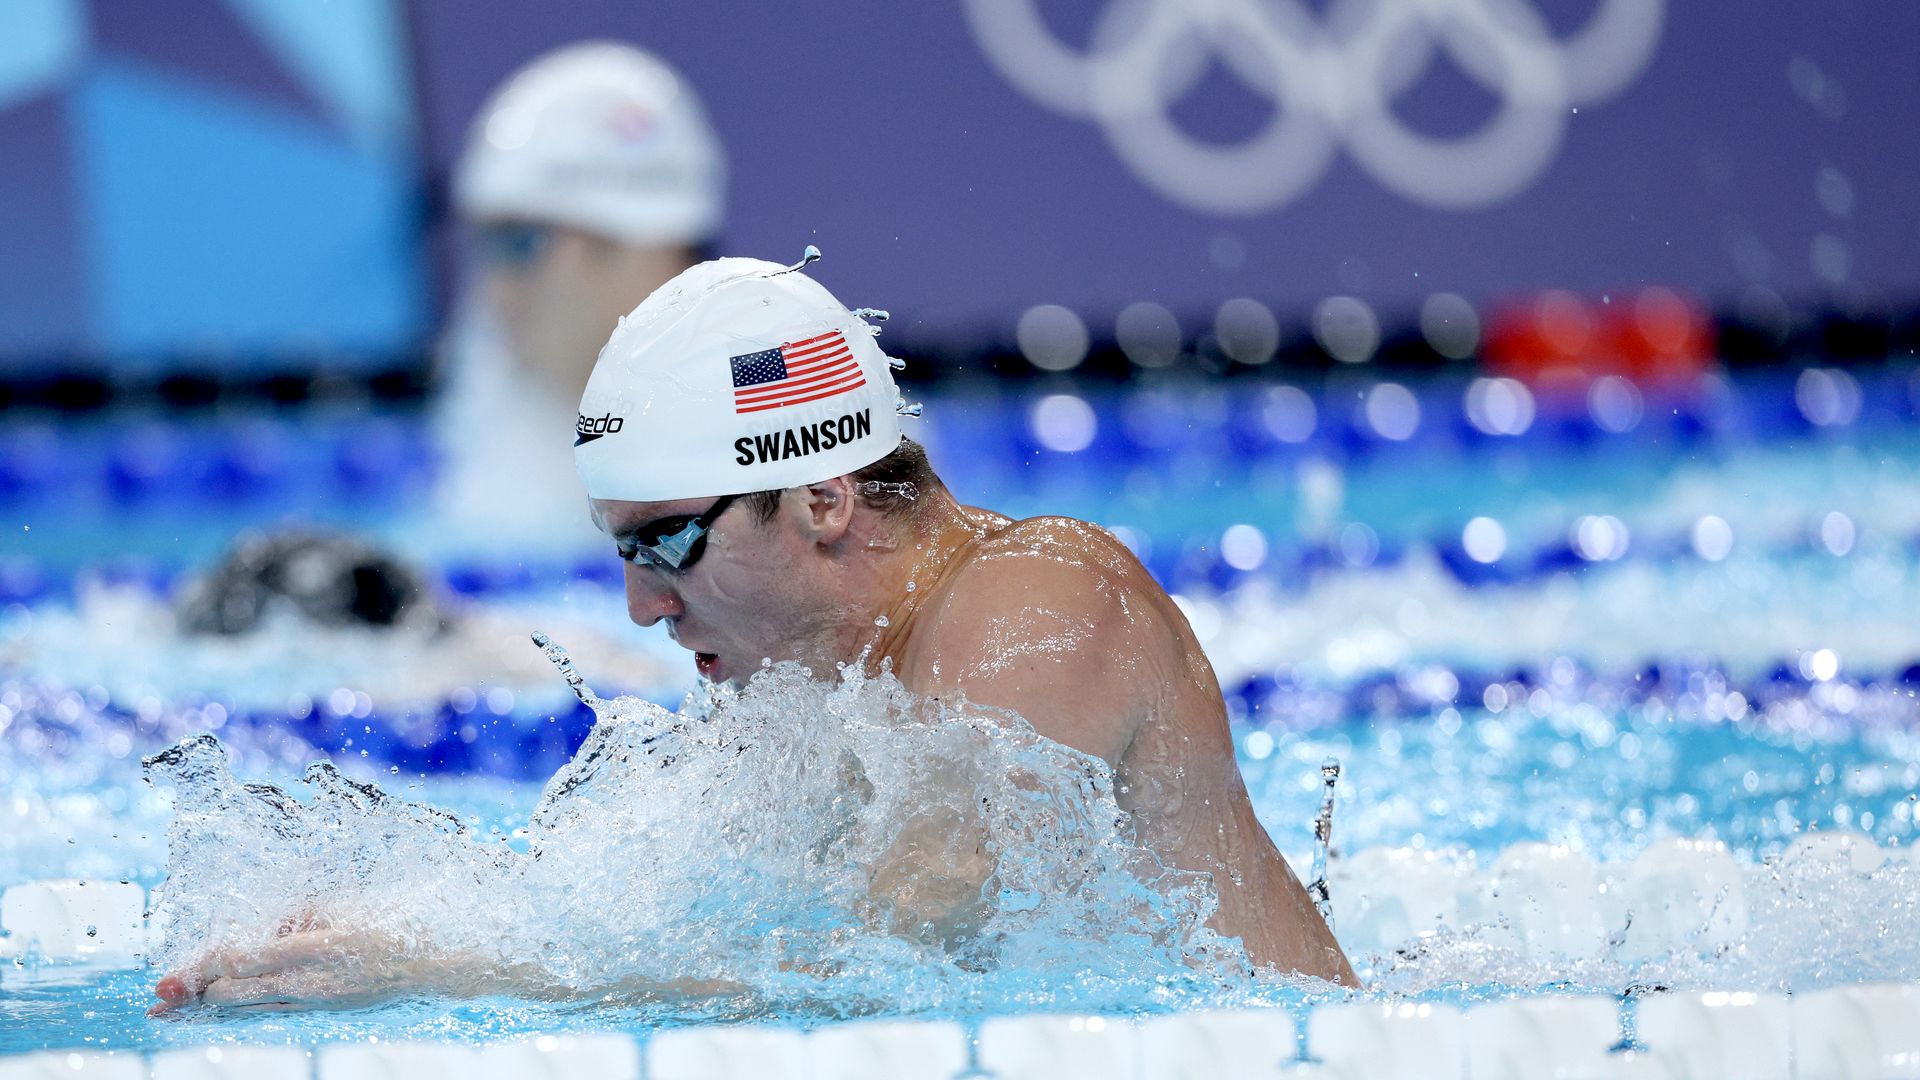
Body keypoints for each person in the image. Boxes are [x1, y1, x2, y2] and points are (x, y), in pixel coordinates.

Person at [152, 255, 1355, 1012]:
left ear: (822, 498)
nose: (640, 605)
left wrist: (444, 978)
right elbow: (654, 920)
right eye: (620, 549)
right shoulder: (816, 673)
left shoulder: (1035, 611)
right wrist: (407, 923)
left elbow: (889, 971)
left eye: (667, 542)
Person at [432, 41, 726, 549]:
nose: (493, 288)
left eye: (518, 243)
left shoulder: (780, 451)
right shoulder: (506, 441)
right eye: (484, 245)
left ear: (642, 249)